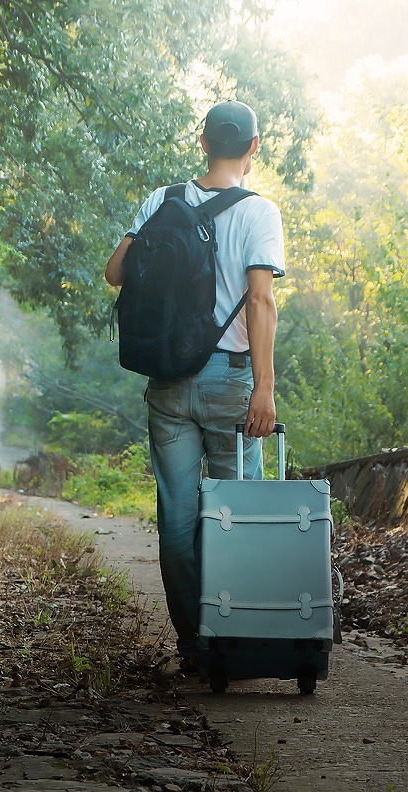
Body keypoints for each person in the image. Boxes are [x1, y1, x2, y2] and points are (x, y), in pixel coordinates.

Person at [104, 99, 285, 671]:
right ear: (253, 147)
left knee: (177, 519)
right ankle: (237, 639)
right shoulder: (261, 213)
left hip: (168, 384)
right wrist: (264, 388)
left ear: (203, 141)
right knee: (238, 514)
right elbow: (260, 299)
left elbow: (115, 273)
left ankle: (194, 647)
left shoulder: (162, 200)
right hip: (231, 382)